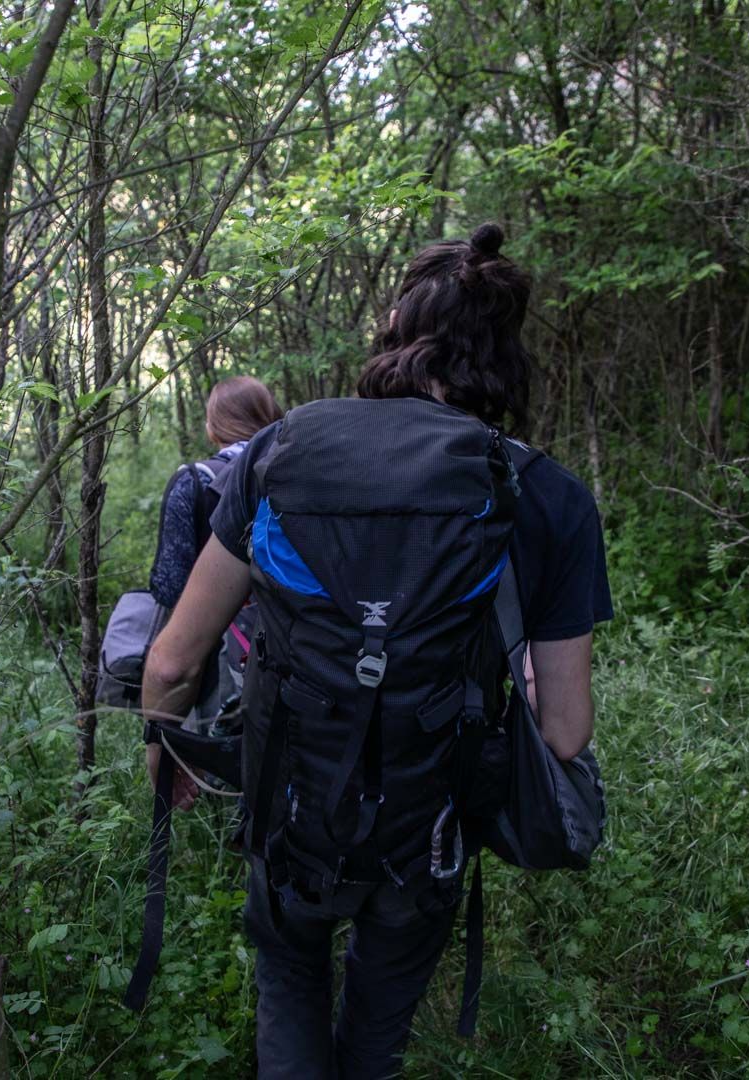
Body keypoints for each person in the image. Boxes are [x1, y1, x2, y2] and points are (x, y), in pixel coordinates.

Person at [141, 224, 612, 1078]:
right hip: (427, 829)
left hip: (288, 811)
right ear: (503, 356)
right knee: (375, 1043)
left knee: (289, 984)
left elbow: (174, 659)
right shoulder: (545, 493)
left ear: (395, 331)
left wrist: (164, 745)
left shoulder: (280, 451)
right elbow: (566, 732)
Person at [146, 376, 281, 726]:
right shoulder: (294, 475)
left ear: (213, 427)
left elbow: (169, 586)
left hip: (210, 660)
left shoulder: (195, 480)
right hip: (294, 655)